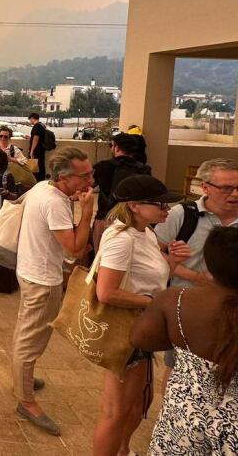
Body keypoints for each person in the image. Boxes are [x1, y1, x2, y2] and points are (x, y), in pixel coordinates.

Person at [91, 176, 190, 456]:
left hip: (141, 328)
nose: (166, 209)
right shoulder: (123, 239)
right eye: (159, 204)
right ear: (135, 206)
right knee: (115, 411)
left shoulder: (145, 232)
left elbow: (151, 278)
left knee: (136, 405)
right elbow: (106, 293)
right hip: (126, 331)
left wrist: (173, 263)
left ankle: (123, 449)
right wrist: (152, 302)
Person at [130, 225, 238, 455]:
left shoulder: (177, 300)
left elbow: (140, 338)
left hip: (185, 414)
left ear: (209, 263)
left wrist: (182, 337)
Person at [11, 147, 95, 436]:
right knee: (30, 340)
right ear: (64, 177)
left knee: (27, 331)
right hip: (42, 279)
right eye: (84, 175)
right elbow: (74, 247)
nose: (90, 180)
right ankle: (26, 400)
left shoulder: (41, 188)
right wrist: (87, 213)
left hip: (29, 269)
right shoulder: (57, 203)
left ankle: (23, 377)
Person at [155, 157, 238, 388]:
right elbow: (156, 253)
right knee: (178, 369)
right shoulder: (182, 214)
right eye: (226, 188)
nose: (234, 194)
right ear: (205, 187)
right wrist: (197, 277)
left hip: (232, 310)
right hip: (189, 309)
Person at [92, 133, 151, 252]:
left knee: (100, 256)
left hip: (104, 218)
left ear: (117, 147)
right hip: (131, 220)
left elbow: (88, 185)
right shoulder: (143, 169)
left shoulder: (102, 166)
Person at [27, 113, 47, 183]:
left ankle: (36, 181)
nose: (30, 121)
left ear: (32, 118)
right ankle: (41, 181)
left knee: (35, 168)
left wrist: (32, 151)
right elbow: (38, 137)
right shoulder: (42, 125)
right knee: (41, 166)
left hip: (37, 151)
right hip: (41, 150)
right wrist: (30, 138)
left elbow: (36, 138)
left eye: (30, 119)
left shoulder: (36, 126)